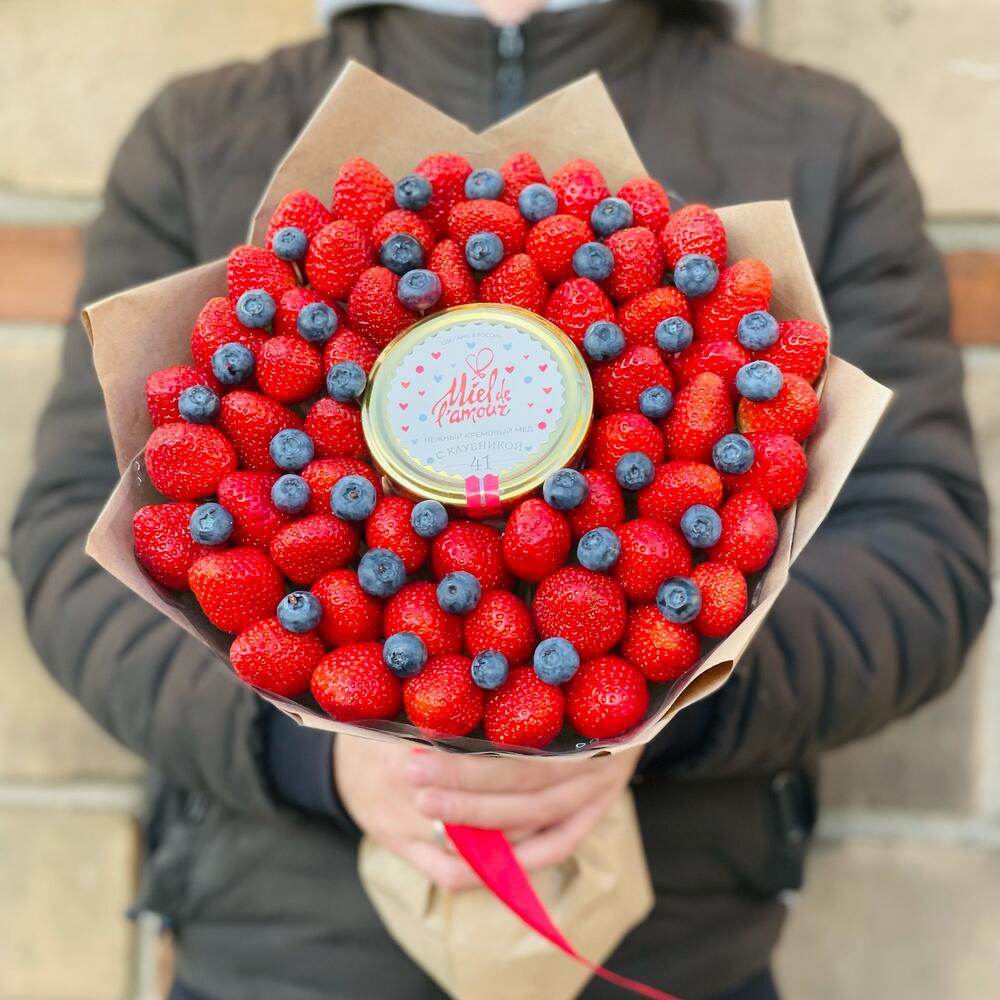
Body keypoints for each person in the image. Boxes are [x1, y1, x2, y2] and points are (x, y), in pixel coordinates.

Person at [10, 1, 992, 998]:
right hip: (274, 956)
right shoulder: (201, 130)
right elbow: (74, 540)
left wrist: (671, 698)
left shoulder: (822, 136)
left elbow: (925, 558)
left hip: (677, 952)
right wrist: (306, 751)